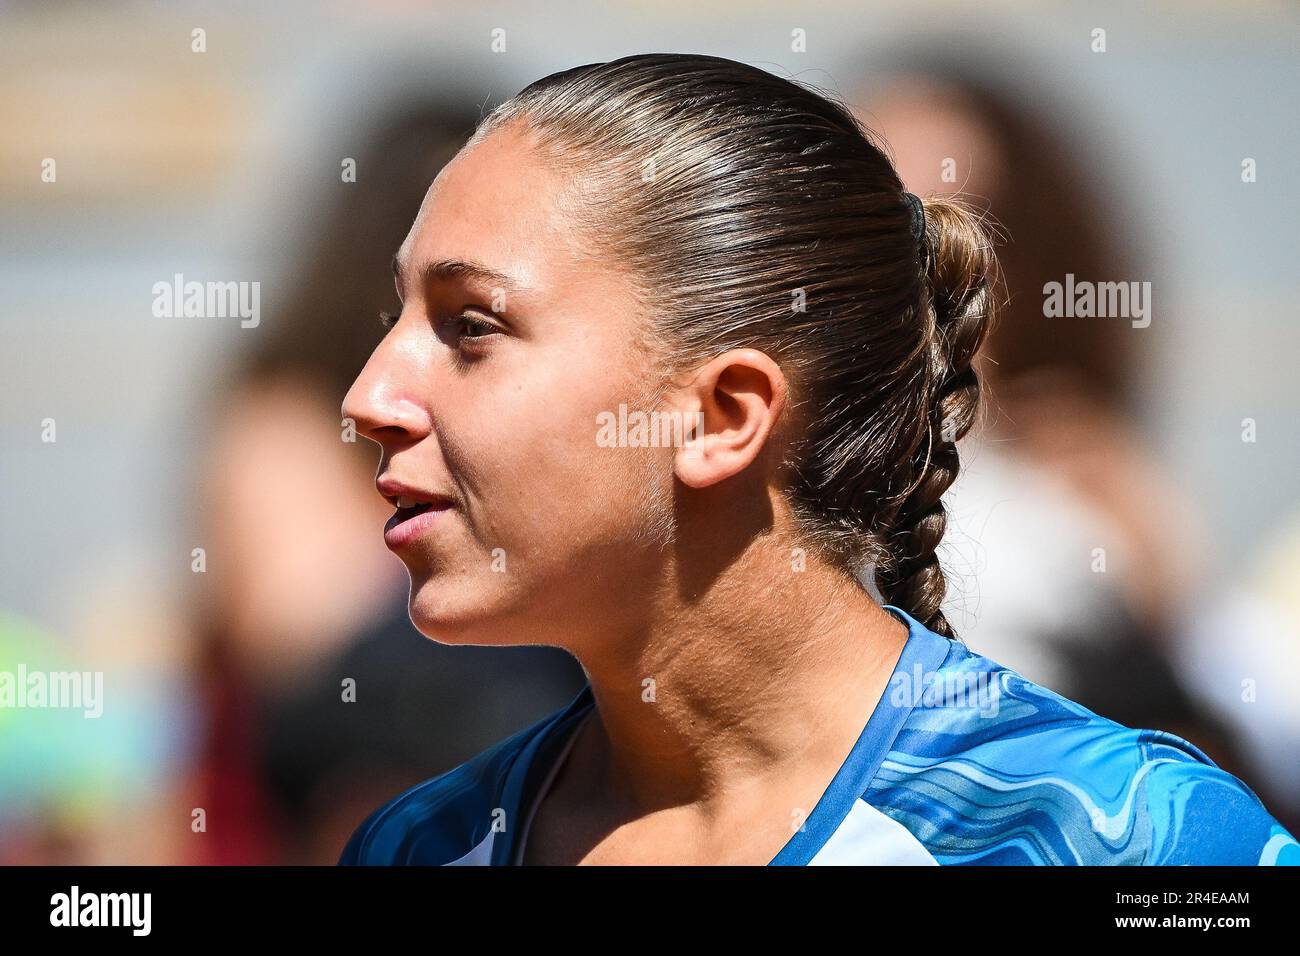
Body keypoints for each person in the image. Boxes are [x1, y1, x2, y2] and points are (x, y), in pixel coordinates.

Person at [335, 53, 1297, 865]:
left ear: (722, 416)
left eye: (471, 327)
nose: (369, 400)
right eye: (396, 318)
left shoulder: (1123, 837)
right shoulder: (424, 843)